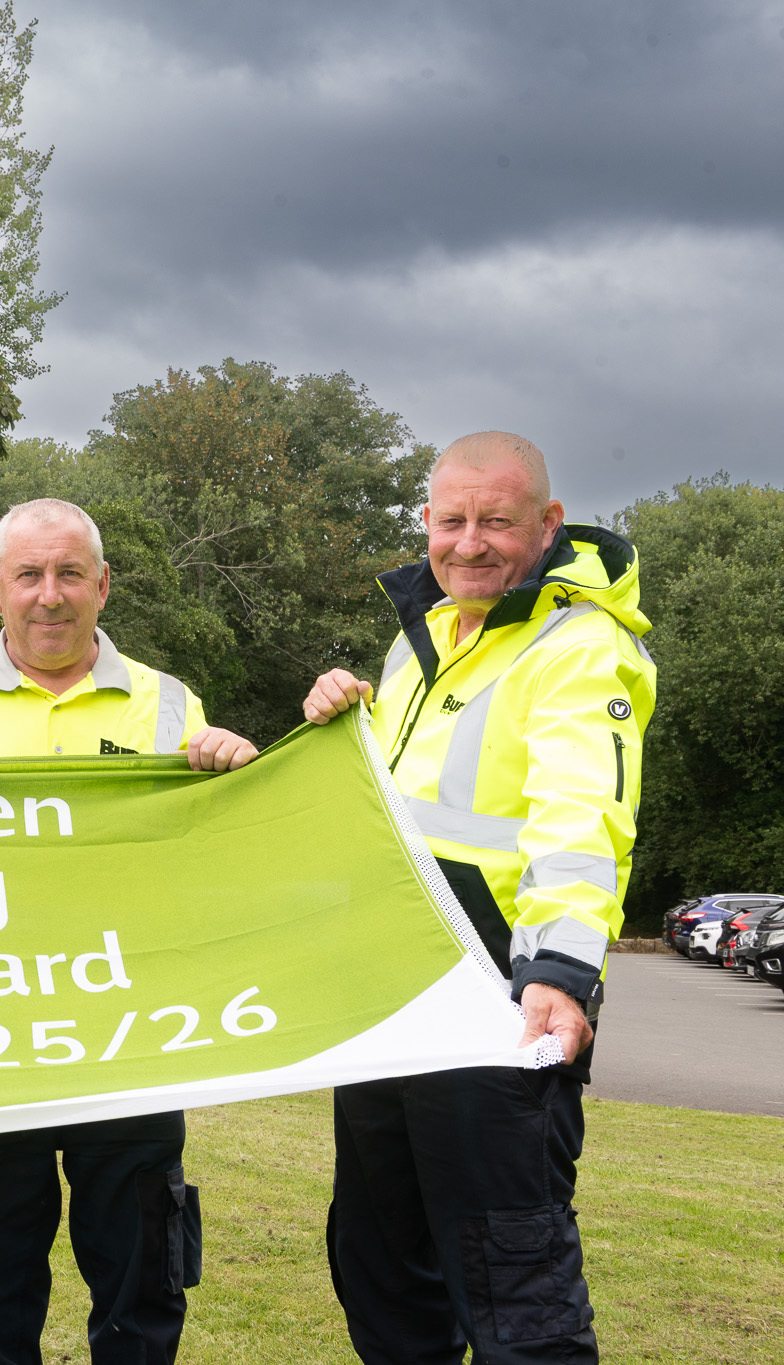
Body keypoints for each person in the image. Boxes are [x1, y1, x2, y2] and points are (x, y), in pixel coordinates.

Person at [0, 497, 258, 1365]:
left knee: (139, 1271)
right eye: (30, 575)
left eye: (70, 573)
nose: (50, 595)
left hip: (128, 1025)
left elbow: (212, 852)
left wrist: (232, 773)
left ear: (103, 586)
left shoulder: (167, 704)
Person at [301, 431, 654, 1364]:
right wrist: (352, 714)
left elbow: (581, 817)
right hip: (395, 992)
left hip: (503, 1000)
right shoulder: (425, 637)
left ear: (546, 523)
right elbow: (420, 801)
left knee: (511, 1277)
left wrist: (563, 973)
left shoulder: (577, 644)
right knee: (380, 1261)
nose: (469, 542)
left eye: (495, 521)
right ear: (425, 522)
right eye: (451, 520)